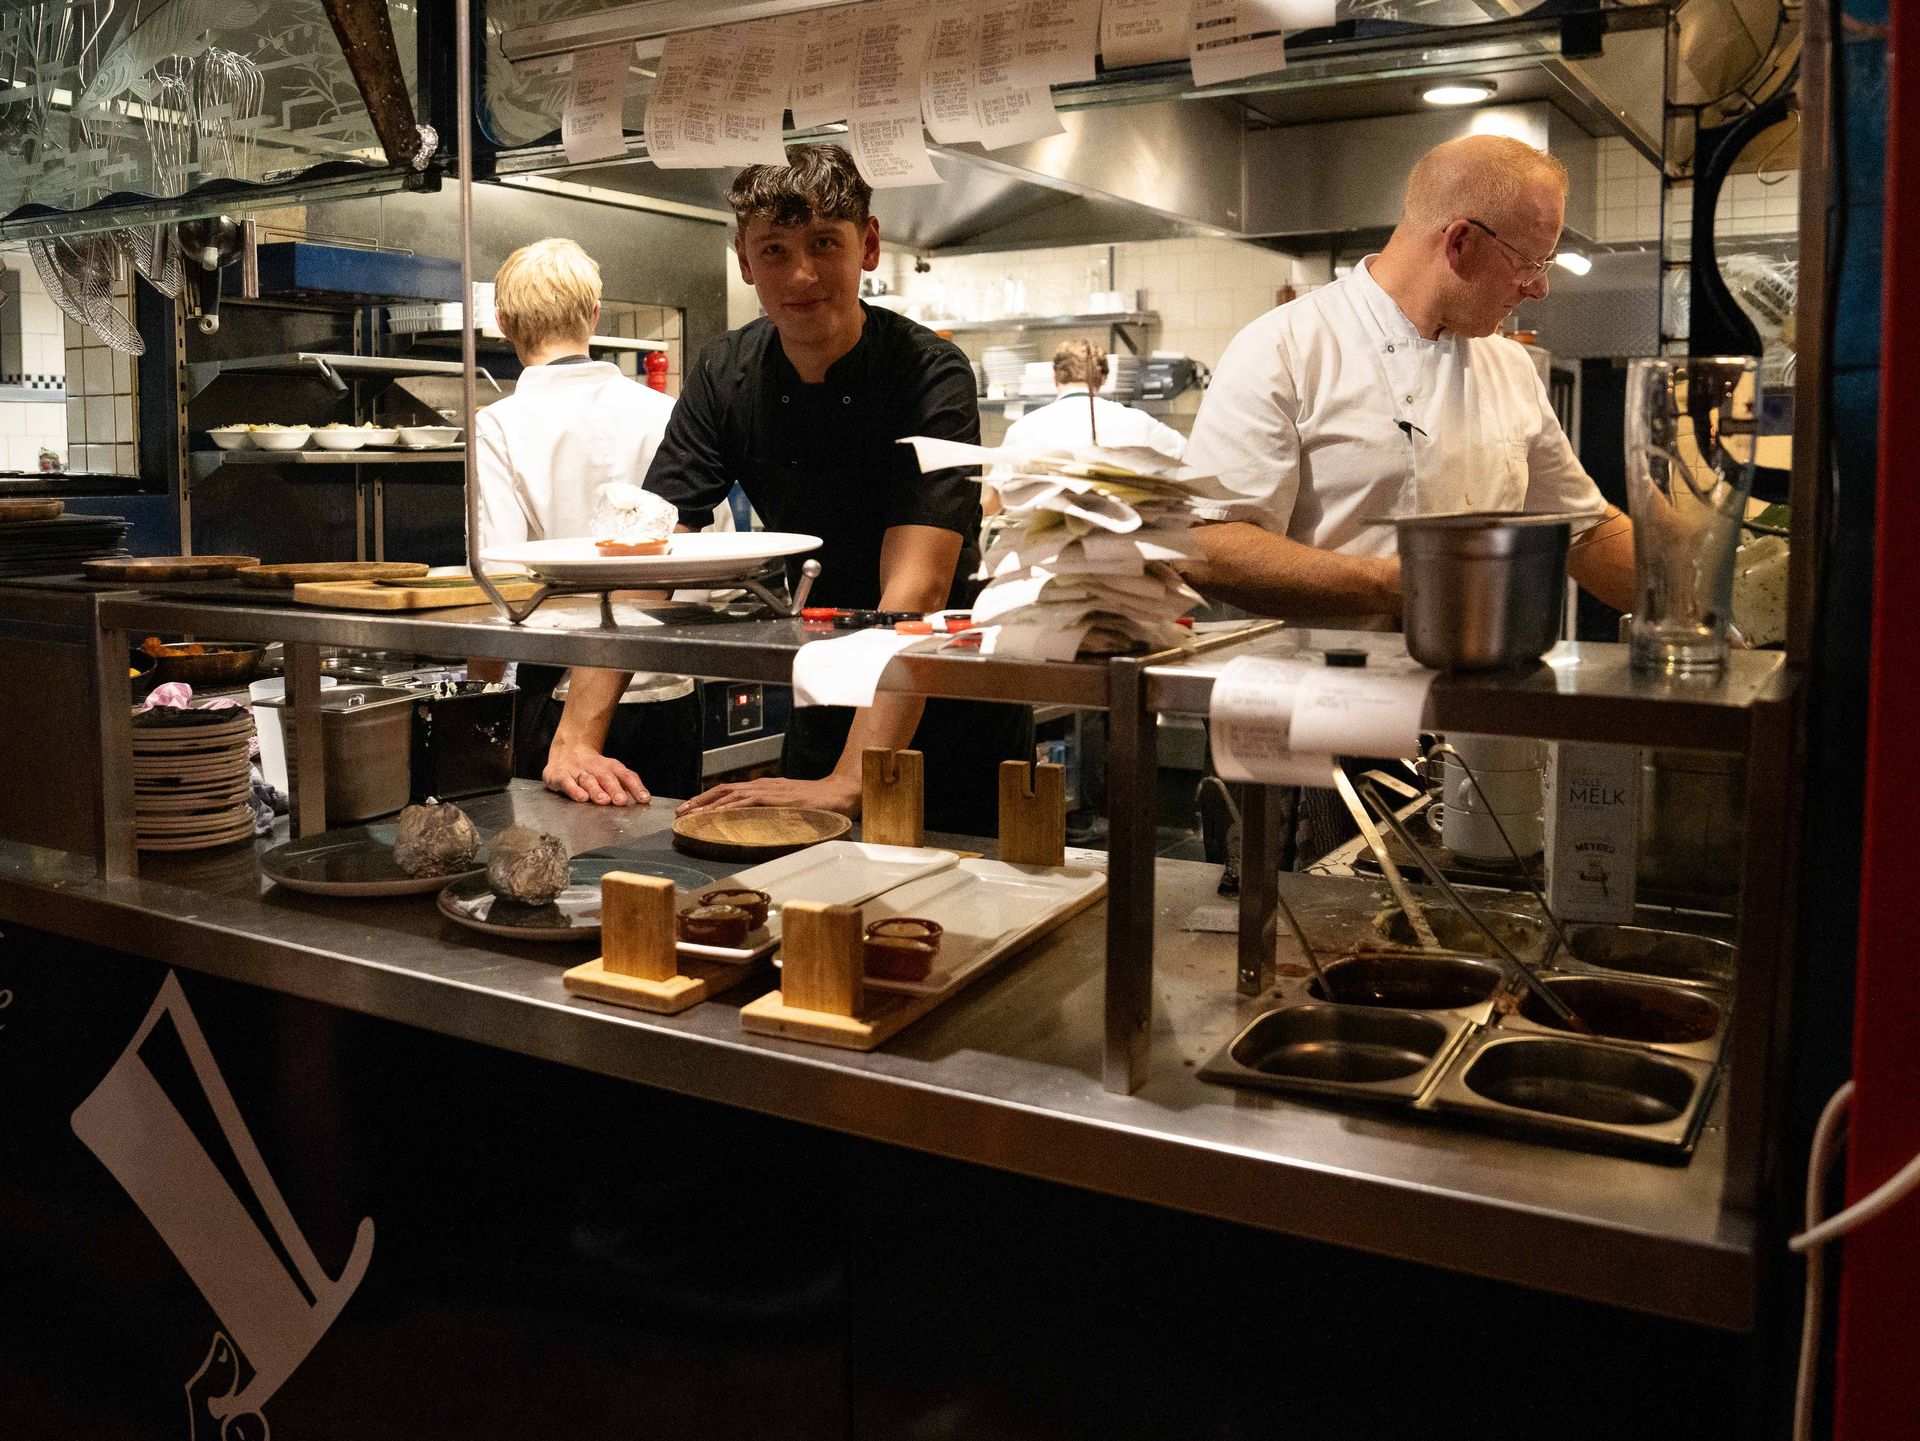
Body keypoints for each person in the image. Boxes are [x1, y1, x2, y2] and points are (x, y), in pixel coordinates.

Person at [546, 144, 1029, 835]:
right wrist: (577, 737)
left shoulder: (929, 372)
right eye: (774, 250)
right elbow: (650, 557)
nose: (800, 274)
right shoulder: (724, 373)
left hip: (945, 722)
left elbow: (916, 590)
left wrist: (853, 779)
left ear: (866, 245)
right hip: (825, 704)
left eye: (823, 244)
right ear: (744, 260)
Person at [1181, 134, 1636, 620]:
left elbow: (1584, 530)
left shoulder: (1509, 365)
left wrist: (1693, 603)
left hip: (1477, 676)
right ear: (1460, 242)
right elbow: (1208, 542)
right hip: (1322, 683)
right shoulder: (1284, 347)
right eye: (1529, 263)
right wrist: (1399, 582)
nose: (1540, 288)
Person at [472, 237, 713, 807]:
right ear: (596, 315)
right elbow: (707, 552)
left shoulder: (500, 426)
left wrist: (480, 696)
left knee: (554, 874)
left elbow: (499, 581)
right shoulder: (667, 412)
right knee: (669, 872)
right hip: (667, 690)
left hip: (554, 703)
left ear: (503, 325)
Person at [1001, 339, 1186, 460]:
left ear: (1055, 378)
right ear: (1104, 378)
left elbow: (996, 498)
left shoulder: (1023, 429)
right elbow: (1189, 455)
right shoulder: (1140, 422)